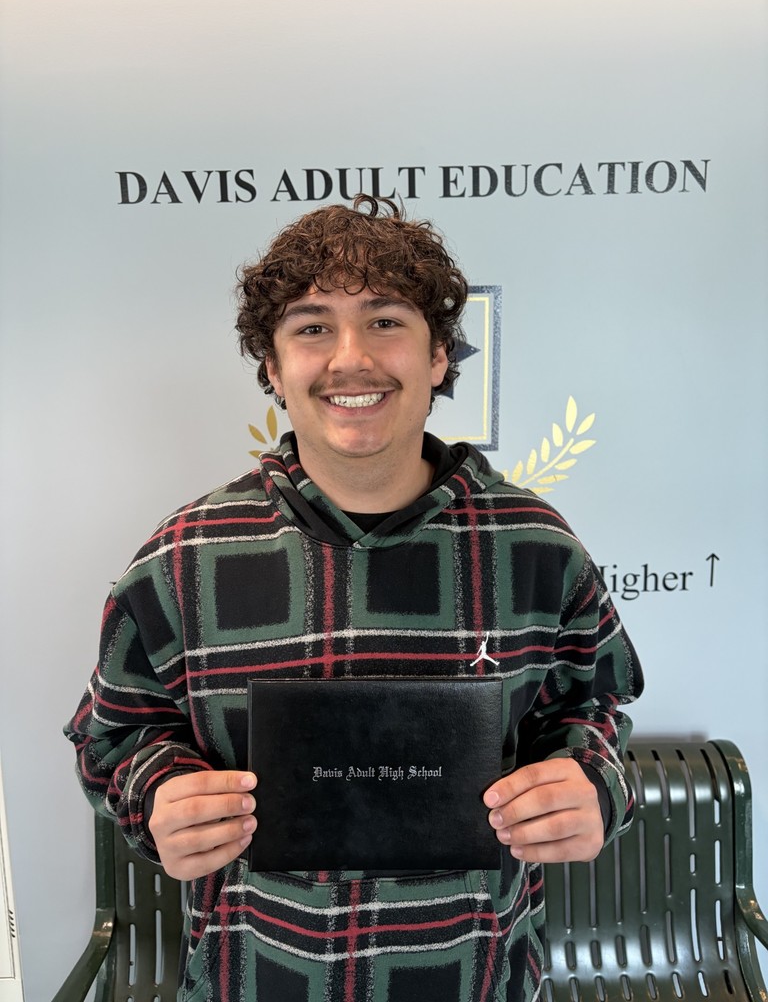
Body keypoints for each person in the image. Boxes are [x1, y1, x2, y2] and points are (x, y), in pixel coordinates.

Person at [65, 196, 643, 1002]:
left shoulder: (535, 547)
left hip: (481, 981)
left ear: (440, 354)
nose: (350, 359)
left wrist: (591, 783)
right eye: (311, 327)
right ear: (271, 367)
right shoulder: (183, 558)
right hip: (258, 979)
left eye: (385, 321)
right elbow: (113, 737)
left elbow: (599, 706)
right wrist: (156, 792)